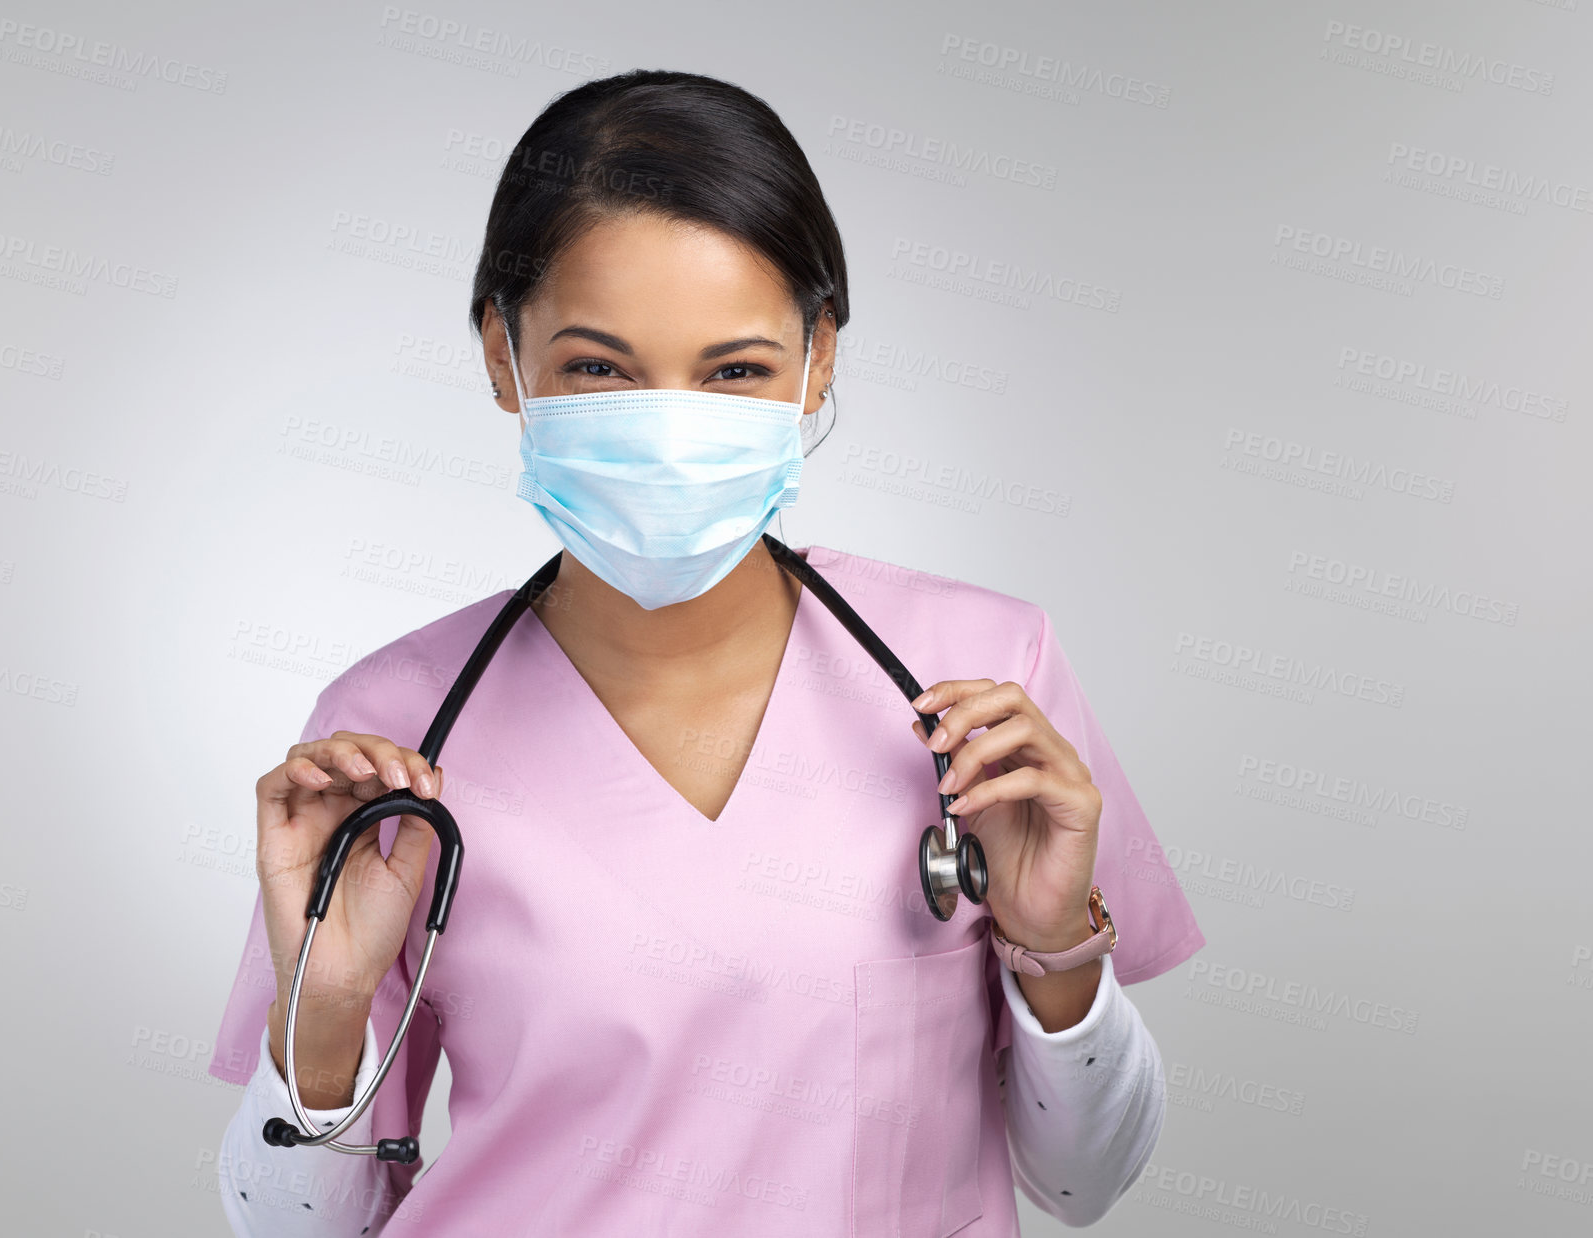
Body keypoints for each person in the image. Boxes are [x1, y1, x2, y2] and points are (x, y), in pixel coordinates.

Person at [206, 68, 1204, 1236]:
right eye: (597, 369)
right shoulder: (392, 729)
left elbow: (1084, 1182)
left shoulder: (985, 675)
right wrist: (322, 1011)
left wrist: (1055, 951)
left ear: (818, 357)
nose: (670, 424)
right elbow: (297, 1229)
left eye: (734, 372)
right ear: (500, 357)